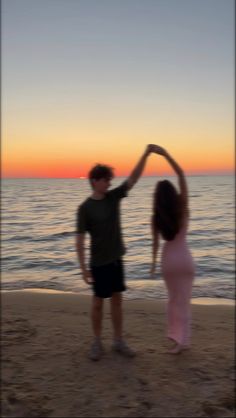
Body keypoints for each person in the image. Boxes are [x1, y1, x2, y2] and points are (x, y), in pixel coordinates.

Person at [76, 145, 153, 361]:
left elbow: (133, 179)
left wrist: (145, 154)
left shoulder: (113, 197)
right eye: (106, 180)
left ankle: (118, 341)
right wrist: (83, 269)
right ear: (95, 181)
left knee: (117, 301)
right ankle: (97, 342)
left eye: (110, 180)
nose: (109, 183)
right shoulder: (85, 208)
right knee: (98, 302)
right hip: (98, 263)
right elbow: (80, 241)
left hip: (116, 260)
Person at [150, 145, 195, 354]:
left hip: (168, 261)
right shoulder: (182, 207)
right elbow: (181, 174)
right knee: (184, 301)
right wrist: (166, 154)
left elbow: (155, 244)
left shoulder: (157, 217)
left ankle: (176, 338)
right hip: (184, 259)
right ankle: (183, 341)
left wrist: (152, 265)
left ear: (158, 199)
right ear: (174, 194)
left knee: (173, 300)